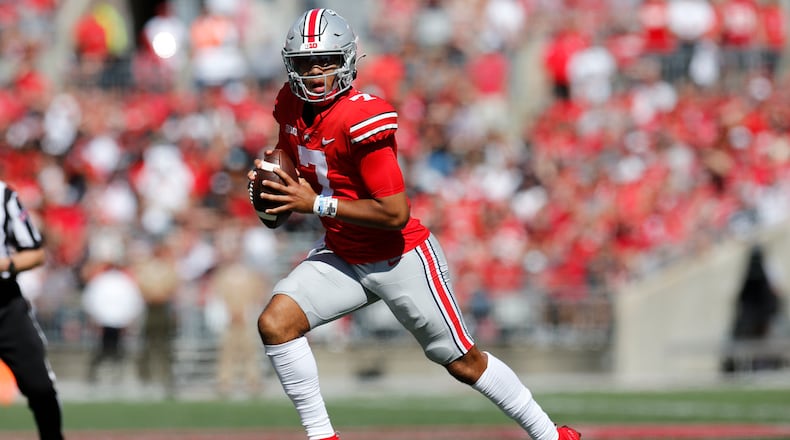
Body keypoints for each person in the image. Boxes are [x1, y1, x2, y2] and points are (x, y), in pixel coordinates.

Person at [248, 9, 581, 440]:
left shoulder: (360, 118)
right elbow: (289, 157)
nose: (314, 72)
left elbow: (393, 213)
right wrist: (275, 186)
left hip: (398, 255)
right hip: (346, 253)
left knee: (463, 362)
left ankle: (553, 436)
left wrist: (315, 204)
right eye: (305, 63)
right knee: (276, 322)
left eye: (325, 60)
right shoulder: (288, 104)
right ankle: (321, 437)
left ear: (347, 61)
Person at [0, 180, 64, 440]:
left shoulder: (3, 195)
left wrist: (5, 264)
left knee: (40, 387)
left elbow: (36, 253)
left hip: (4, 306)